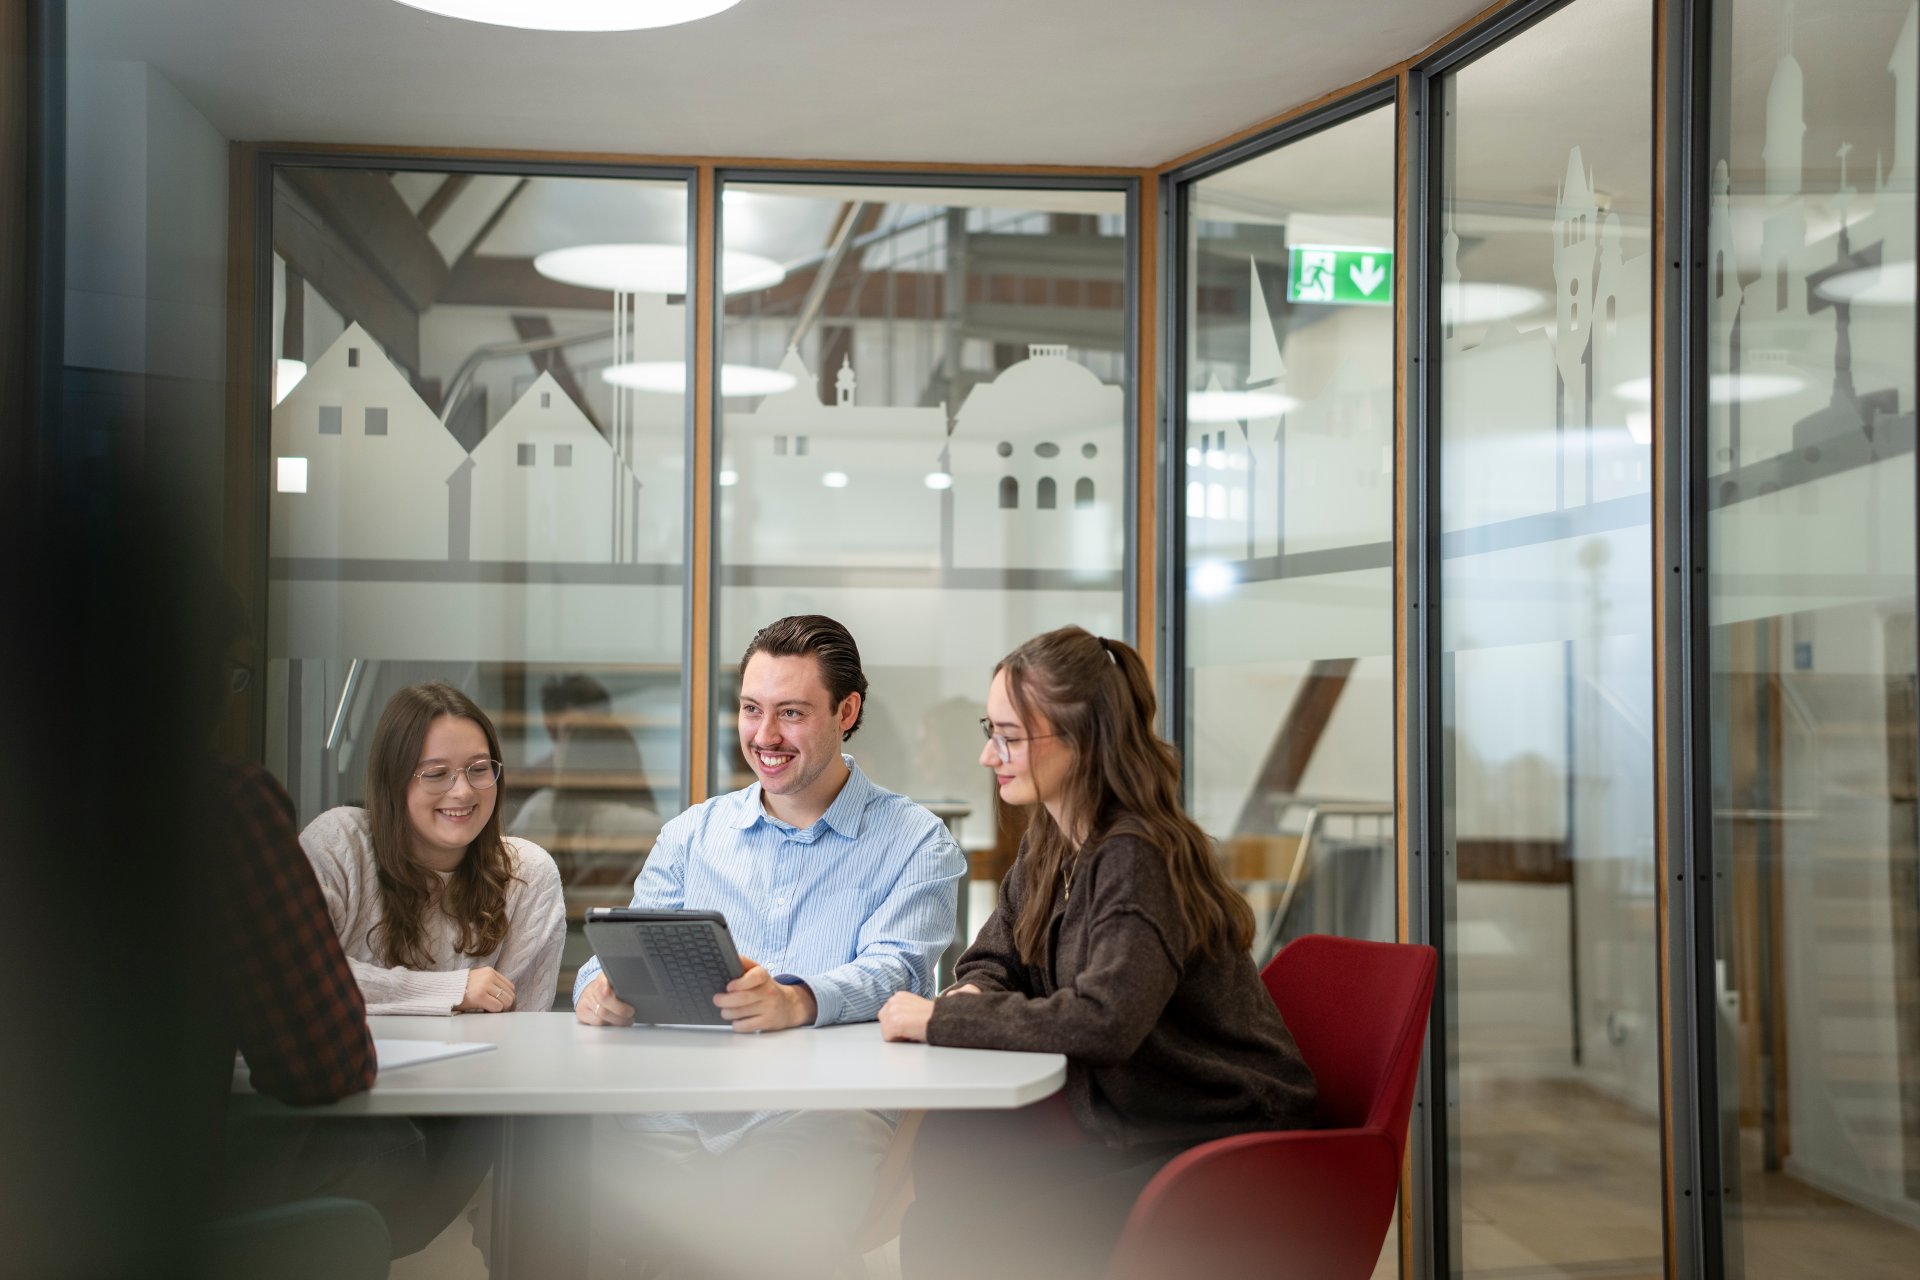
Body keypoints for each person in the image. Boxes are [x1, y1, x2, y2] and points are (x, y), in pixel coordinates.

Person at [879, 626, 1319, 1280]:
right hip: (1141, 1124)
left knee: (969, 1230)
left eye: (1009, 736)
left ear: (1080, 741)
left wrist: (944, 1017)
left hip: (1223, 1141)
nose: (987, 755)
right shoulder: (1052, 841)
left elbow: (1104, 1021)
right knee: (951, 1167)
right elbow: (989, 962)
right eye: (989, 730)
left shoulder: (1136, 857)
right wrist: (975, 997)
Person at [573, 614, 967, 1279]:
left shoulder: (917, 842)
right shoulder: (692, 835)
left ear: (847, 712)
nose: (764, 736)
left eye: (791, 713)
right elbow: (621, 941)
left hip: (820, 1114)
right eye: (752, 710)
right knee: (550, 1191)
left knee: (754, 1236)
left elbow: (897, 970)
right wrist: (598, 989)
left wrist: (797, 1000)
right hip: (673, 1112)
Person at [301, 681, 565, 1015]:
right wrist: (453, 990)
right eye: (437, 773)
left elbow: (519, 1028)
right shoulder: (339, 843)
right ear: (393, 781)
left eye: (479, 769)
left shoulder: (528, 875)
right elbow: (295, 971)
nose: (463, 792)